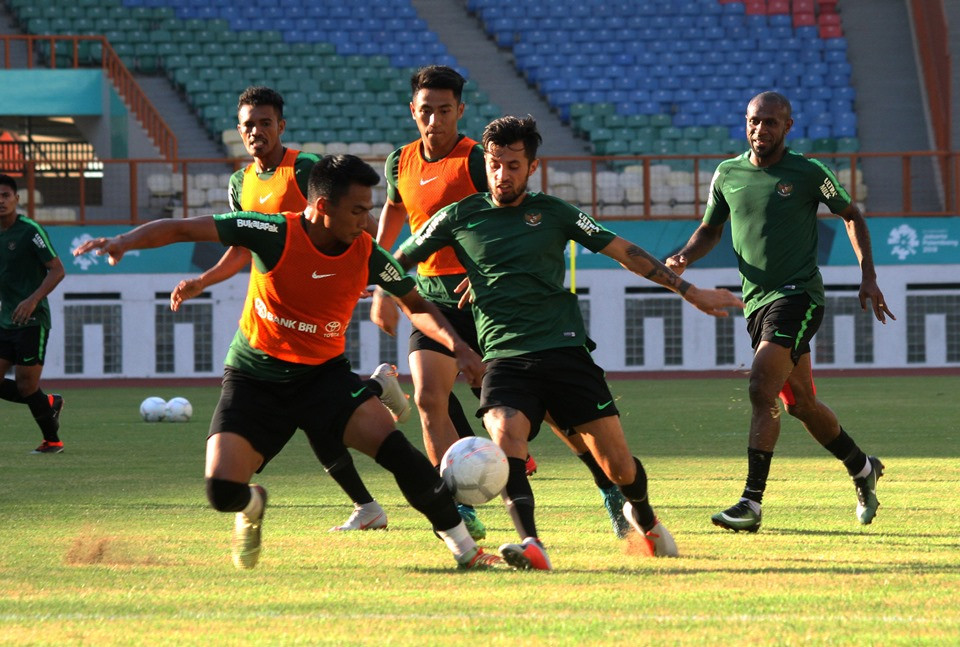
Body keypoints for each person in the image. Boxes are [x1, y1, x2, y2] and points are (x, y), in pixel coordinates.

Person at [75, 154, 507, 570]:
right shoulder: (271, 232)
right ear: (322, 207)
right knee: (222, 491)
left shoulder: (368, 253)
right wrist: (124, 241)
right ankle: (254, 503)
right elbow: (184, 228)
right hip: (254, 377)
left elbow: (414, 303)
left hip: (323, 379)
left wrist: (461, 347)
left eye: (369, 210)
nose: (367, 222)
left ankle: (466, 551)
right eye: (358, 211)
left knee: (399, 453)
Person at [396, 116, 745, 569]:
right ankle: (533, 545)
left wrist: (689, 290)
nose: (503, 174)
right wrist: (386, 291)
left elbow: (623, 251)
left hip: (564, 351)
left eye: (513, 165)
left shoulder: (555, 212)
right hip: (505, 355)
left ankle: (644, 516)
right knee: (505, 439)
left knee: (618, 465)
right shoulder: (459, 216)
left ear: (533, 167)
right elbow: (395, 260)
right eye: (496, 164)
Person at [370, 65, 633, 540]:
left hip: (486, 302)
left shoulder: (478, 158)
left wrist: (487, 275)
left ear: (460, 111)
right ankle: (458, 504)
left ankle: (608, 488)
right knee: (430, 397)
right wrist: (384, 286)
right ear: (413, 111)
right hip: (430, 298)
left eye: (445, 111)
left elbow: (497, 220)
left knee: (551, 411)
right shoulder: (398, 162)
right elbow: (395, 211)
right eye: (426, 111)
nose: (435, 120)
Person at [170, 85, 399, 533]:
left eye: (265, 122)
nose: (256, 131)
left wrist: (369, 273)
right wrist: (203, 280)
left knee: (314, 406)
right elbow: (240, 249)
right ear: (239, 131)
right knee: (313, 412)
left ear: (281, 125)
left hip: (321, 298)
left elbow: (363, 222)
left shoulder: (304, 170)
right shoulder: (240, 183)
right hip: (280, 305)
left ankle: (368, 483)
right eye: (248, 125)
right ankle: (368, 485)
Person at [665, 91, 893, 533]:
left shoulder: (808, 172)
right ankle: (863, 468)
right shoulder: (727, 173)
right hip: (758, 301)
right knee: (802, 404)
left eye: (770, 122)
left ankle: (750, 503)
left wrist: (869, 275)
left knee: (760, 387)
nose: (760, 130)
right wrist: (685, 257)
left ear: (788, 126)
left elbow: (852, 215)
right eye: (754, 121)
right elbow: (710, 229)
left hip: (799, 296)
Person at [0, 174, 66, 454]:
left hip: (33, 320)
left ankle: (52, 440)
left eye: (5, 196)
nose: (0, 201)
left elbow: (57, 269)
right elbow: (8, 275)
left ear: (16, 199)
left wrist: (33, 300)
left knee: (26, 385)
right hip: (7, 319)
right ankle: (48, 403)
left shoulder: (29, 230)